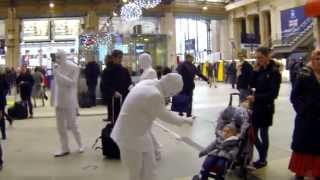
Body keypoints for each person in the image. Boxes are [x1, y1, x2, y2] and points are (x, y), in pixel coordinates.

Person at [111, 73, 193, 180]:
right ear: (170, 88)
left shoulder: (149, 83)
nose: (171, 95)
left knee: (149, 166)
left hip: (141, 133)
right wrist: (186, 120)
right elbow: (166, 116)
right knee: (135, 172)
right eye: (173, 93)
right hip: (129, 136)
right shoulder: (154, 95)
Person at [247, 47, 281, 169]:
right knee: (253, 134)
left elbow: (273, 94)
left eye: (260, 57)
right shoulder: (259, 69)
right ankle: (263, 154)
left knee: (264, 133)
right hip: (256, 107)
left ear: (268, 56)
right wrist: (255, 72)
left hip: (266, 107)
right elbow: (251, 85)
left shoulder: (274, 72)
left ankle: (262, 159)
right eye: (256, 58)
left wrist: (257, 98)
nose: (258, 60)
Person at [289, 49, 320, 180]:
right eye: (317, 59)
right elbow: (294, 96)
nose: (319, 61)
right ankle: (300, 173)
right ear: (312, 60)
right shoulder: (304, 74)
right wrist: (302, 111)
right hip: (306, 119)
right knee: (303, 147)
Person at [51, 49, 83, 157]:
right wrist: (53, 100)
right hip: (59, 101)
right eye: (56, 56)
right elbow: (54, 85)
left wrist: (58, 75)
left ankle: (80, 144)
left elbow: (72, 83)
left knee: (72, 124)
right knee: (60, 127)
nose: (57, 59)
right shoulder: (57, 67)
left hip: (69, 101)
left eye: (59, 56)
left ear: (64, 56)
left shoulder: (74, 67)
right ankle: (65, 148)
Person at [138, 53, 162, 161]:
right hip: (143, 102)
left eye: (141, 60)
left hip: (149, 103)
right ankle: (153, 149)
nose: (139, 62)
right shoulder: (145, 72)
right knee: (145, 129)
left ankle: (156, 150)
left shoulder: (151, 72)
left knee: (146, 129)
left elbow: (152, 88)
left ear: (146, 60)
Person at [100, 50, 132, 123]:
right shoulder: (107, 70)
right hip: (113, 98)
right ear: (113, 58)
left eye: (121, 57)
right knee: (115, 118)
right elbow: (105, 84)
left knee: (123, 117)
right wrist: (113, 92)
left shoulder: (124, 70)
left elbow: (128, 82)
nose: (120, 59)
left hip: (124, 97)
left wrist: (130, 87)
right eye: (119, 57)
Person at [176, 54, 209, 118]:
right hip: (182, 85)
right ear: (188, 58)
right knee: (183, 99)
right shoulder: (182, 65)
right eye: (191, 58)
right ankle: (181, 112)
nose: (192, 59)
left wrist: (206, 79)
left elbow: (199, 73)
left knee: (189, 99)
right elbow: (177, 73)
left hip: (189, 85)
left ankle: (188, 113)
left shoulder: (192, 65)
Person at [0, 71, 9, 140]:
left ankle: (3, 133)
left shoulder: (2, 77)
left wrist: (3, 94)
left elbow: (7, 87)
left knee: (1, 118)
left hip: (1, 101)